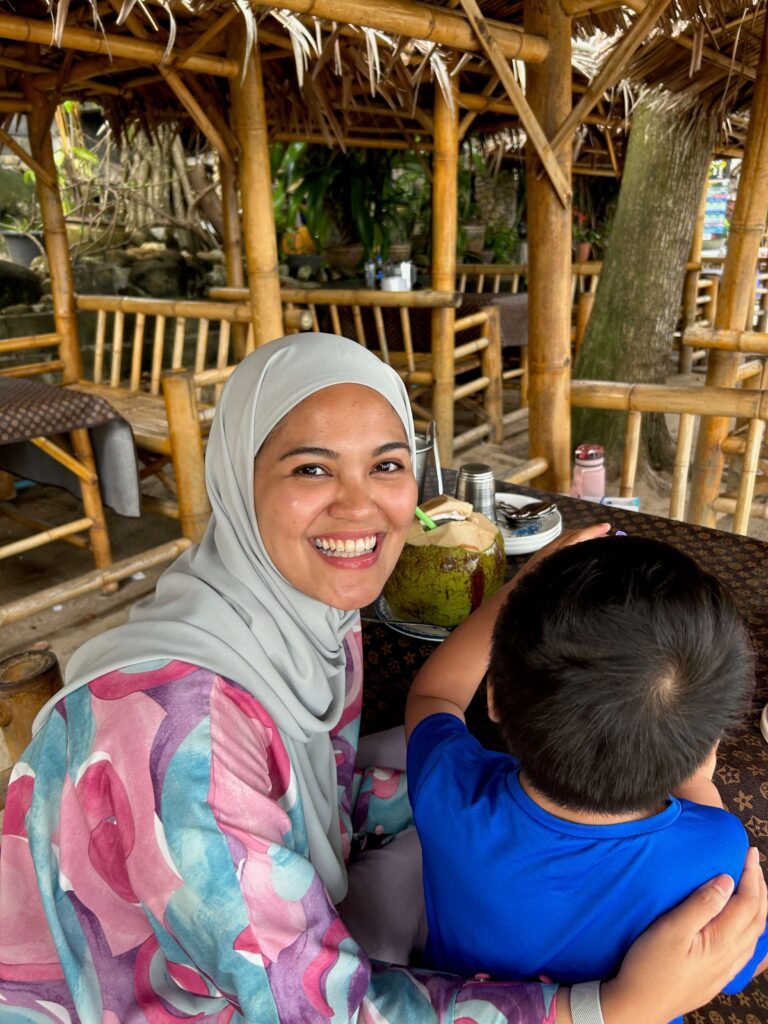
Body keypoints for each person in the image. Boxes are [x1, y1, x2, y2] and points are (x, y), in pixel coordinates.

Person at [0, 334, 764, 1024]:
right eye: (310, 467)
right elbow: (323, 1015)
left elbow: (352, 766)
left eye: (388, 464)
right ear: (237, 473)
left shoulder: (301, 614)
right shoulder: (173, 738)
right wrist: (613, 1009)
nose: (361, 506)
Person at [406, 534, 768, 1022]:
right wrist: (699, 785)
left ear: (493, 697)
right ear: (707, 744)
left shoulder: (449, 789)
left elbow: (433, 695)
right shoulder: (714, 847)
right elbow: (741, 956)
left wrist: (524, 580)